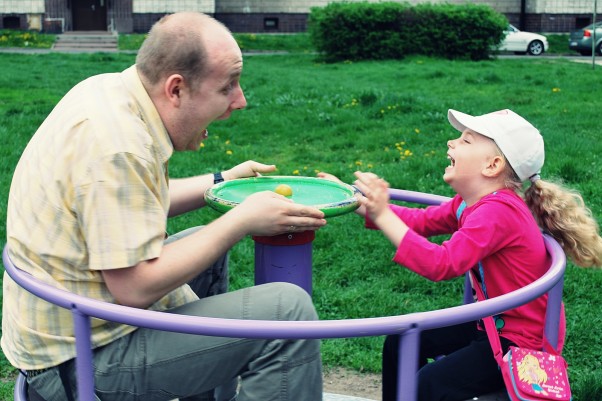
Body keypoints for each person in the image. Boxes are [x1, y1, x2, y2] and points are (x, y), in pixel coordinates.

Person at [2, 12, 327, 401]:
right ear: (176, 89)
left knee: (204, 253)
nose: (240, 101)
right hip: (82, 363)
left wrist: (222, 180)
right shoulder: (118, 144)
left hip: (77, 325)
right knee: (287, 314)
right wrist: (241, 220)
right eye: (228, 86)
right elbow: (134, 288)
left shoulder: (111, 93)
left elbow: (126, 204)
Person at [319, 108, 602, 401]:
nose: (450, 144)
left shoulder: (497, 212)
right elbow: (420, 221)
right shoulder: (470, 204)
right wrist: (360, 202)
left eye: (465, 141)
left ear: (492, 166)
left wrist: (383, 213)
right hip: (490, 322)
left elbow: (440, 264)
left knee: (430, 384)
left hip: (517, 342)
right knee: (402, 344)